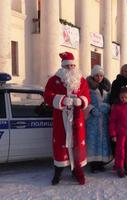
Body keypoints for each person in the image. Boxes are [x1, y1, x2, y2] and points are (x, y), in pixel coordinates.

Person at [44, 51, 90, 185]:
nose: (70, 68)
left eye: (72, 66)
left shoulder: (81, 80)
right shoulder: (54, 80)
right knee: (60, 144)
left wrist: (81, 101)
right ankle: (58, 172)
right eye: (68, 66)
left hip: (77, 118)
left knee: (77, 143)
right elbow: (47, 95)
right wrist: (61, 99)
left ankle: (77, 170)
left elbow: (87, 95)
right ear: (63, 66)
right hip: (61, 118)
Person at [85, 65, 113, 173]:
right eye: (97, 75)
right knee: (93, 140)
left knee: (103, 140)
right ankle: (93, 164)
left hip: (104, 118)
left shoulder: (106, 87)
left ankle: (102, 163)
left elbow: (109, 101)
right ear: (93, 75)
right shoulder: (88, 87)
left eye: (101, 75)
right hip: (93, 119)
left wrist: (107, 107)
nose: (99, 77)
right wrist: (91, 109)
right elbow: (85, 100)